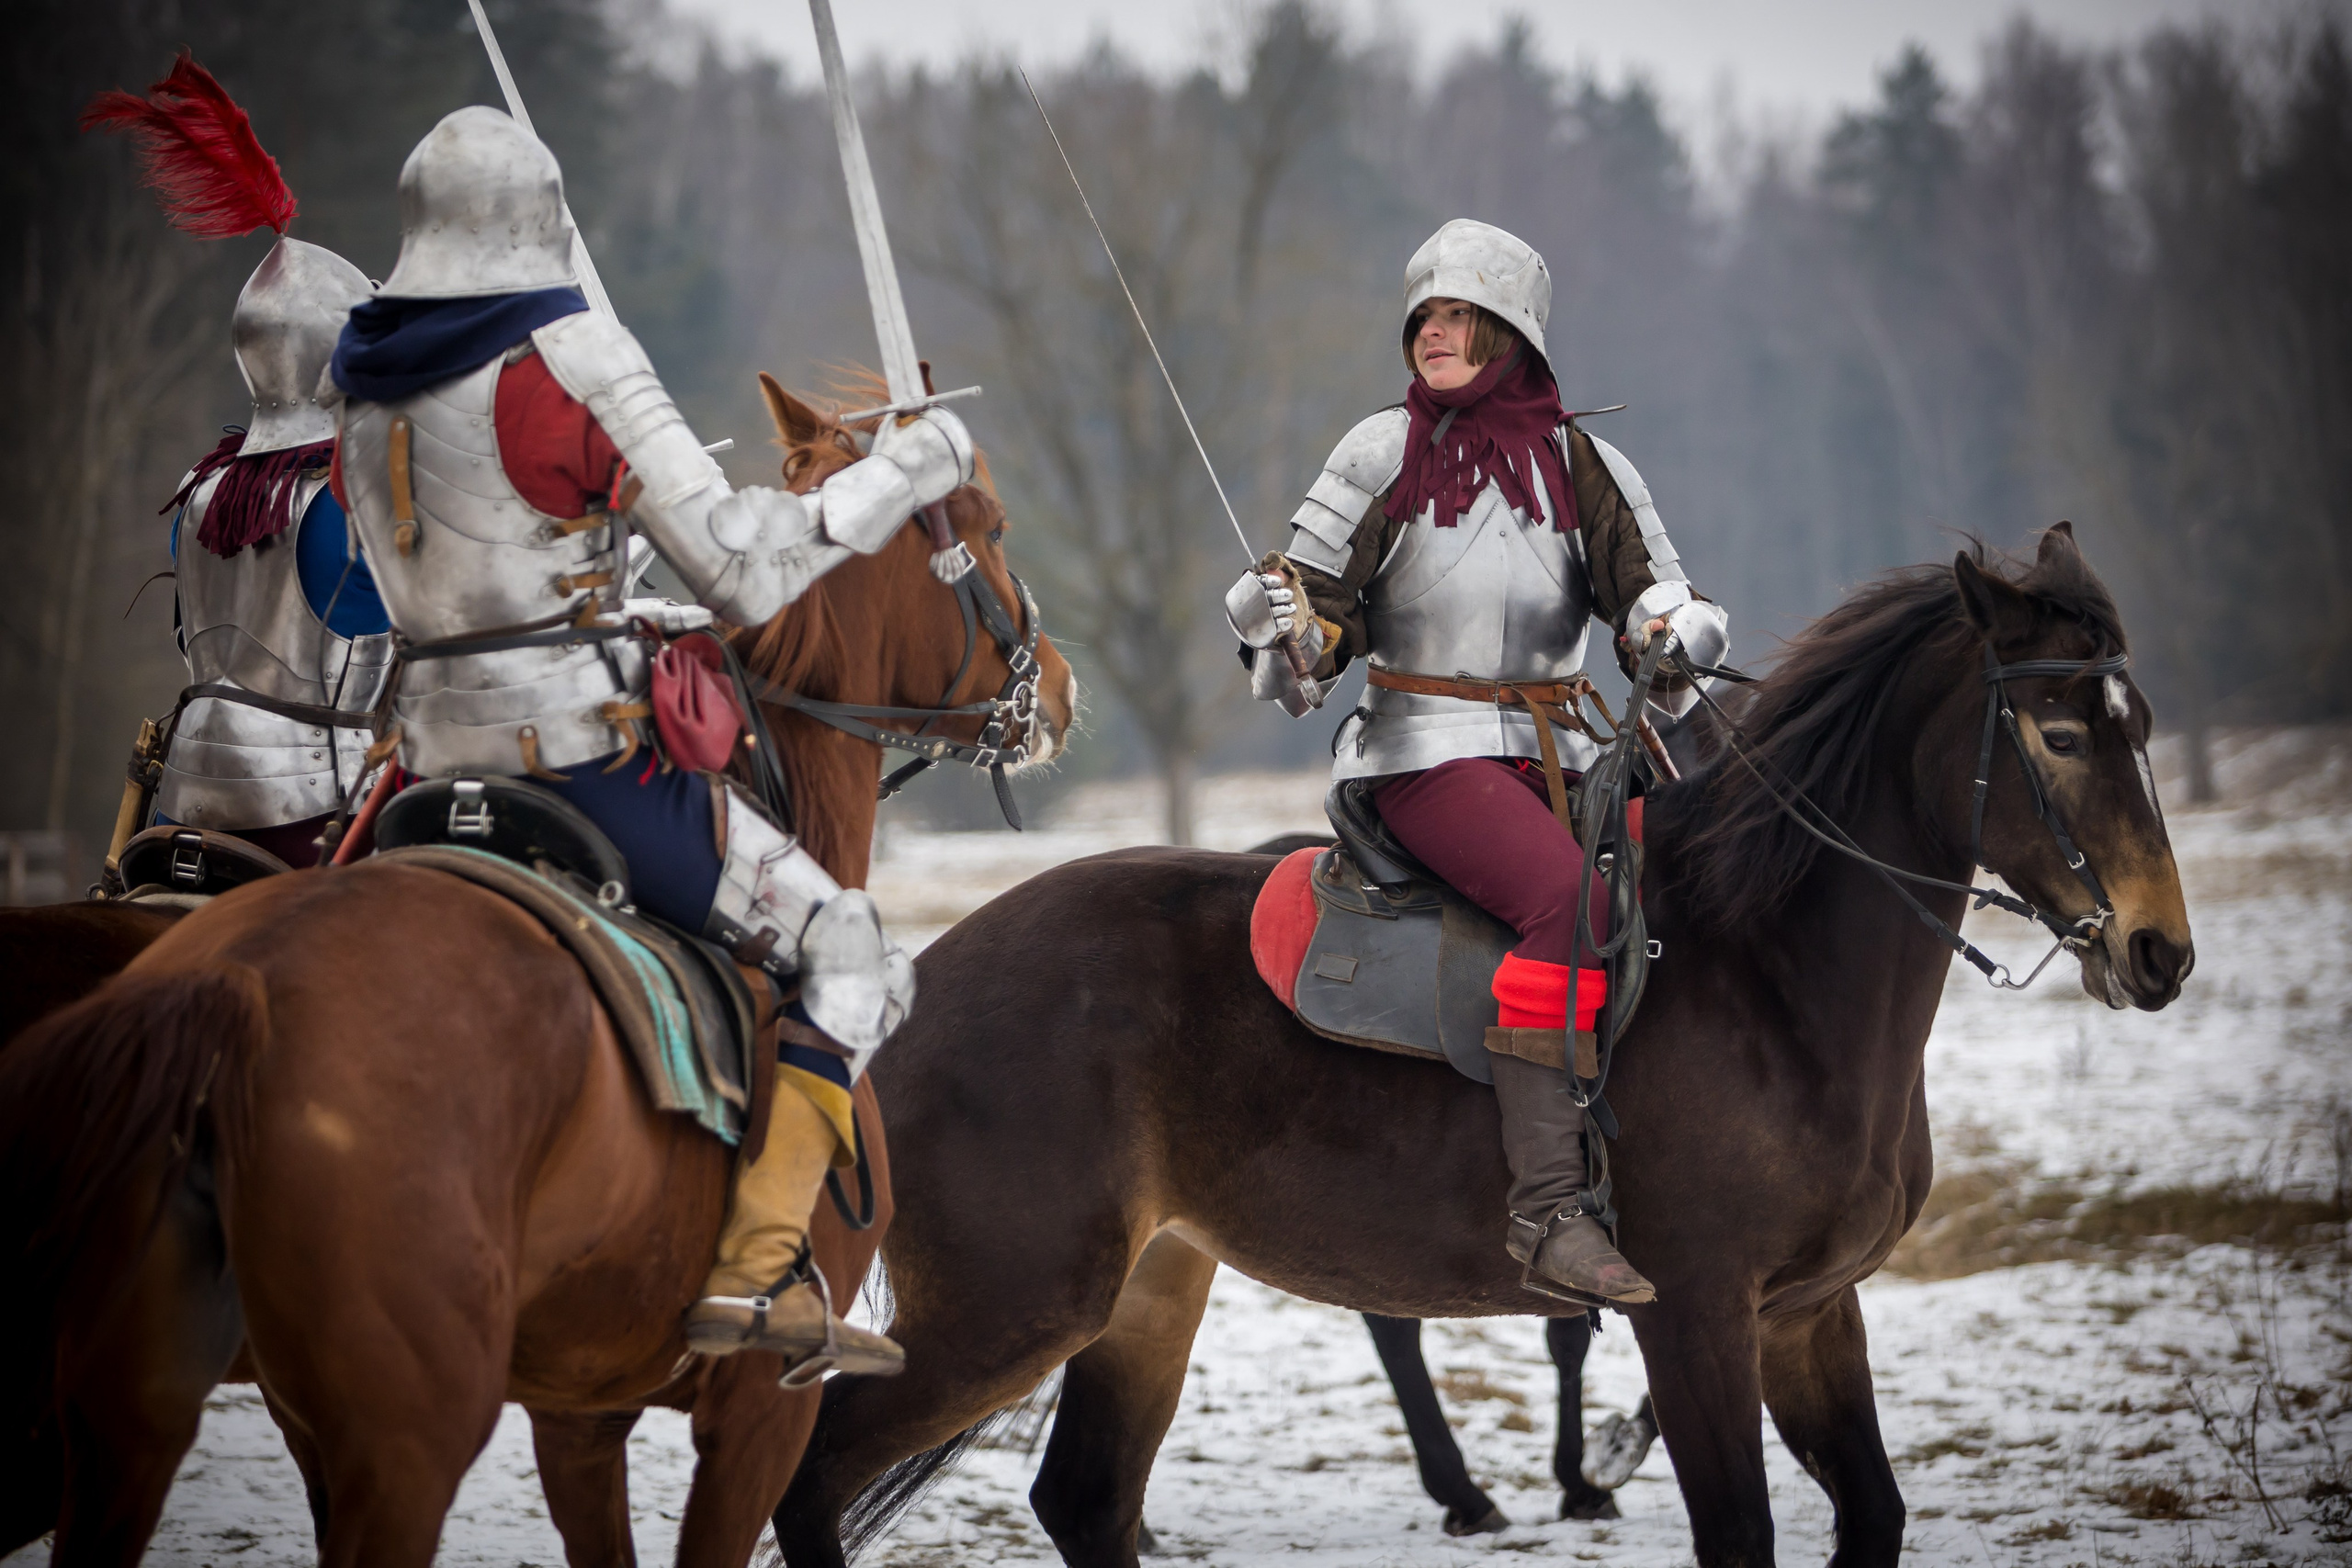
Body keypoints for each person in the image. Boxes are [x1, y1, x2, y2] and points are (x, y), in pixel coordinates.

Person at [326, 107, 976, 1378]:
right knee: (846, 947)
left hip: (415, 768)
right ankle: (765, 1270)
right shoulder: (569, 358)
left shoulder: (362, 375)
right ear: (542, 223)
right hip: (576, 763)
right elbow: (744, 564)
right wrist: (909, 467)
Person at [1225, 220, 1731, 1305]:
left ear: (1509, 333)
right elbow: (1312, 619)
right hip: (1421, 755)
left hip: (1567, 750)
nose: (1434, 333)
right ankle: (1548, 1208)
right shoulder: (1378, 451)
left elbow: (1650, 589)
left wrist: (1670, 628)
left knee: (1699, 874)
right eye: (1423, 317)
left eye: (1457, 316)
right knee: (1568, 902)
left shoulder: (1583, 462)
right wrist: (1296, 638)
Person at [85, 56, 390, 871]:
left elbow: (196, 637)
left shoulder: (205, 489)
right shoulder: (351, 500)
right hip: (314, 809)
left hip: (187, 790)